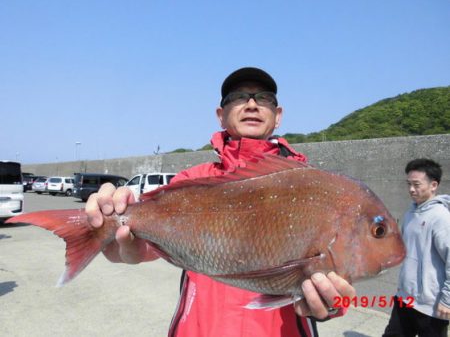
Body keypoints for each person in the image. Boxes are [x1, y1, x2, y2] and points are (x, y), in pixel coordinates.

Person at [86, 67, 356, 337]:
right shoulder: (191, 181)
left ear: (278, 116)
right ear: (220, 115)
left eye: (264, 98)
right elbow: (138, 249)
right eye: (238, 97)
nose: (252, 104)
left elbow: (338, 279)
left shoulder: (312, 186)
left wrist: (331, 303)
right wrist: (112, 234)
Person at [383, 158, 450, 337]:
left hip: (432, 305)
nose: (411, 189)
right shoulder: (410, 213)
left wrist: (447, 300)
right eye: (409, 184)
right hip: (405, 298)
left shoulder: (441, 217)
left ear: (433, 185)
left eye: (416, 184)